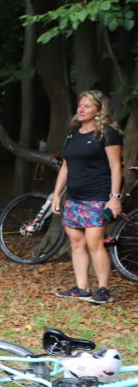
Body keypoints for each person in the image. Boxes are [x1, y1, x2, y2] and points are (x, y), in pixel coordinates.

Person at [52, 90, 123, 305]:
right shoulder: (73, 135)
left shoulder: (107, 134)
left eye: (87, 106)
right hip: (74, 198)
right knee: (76, 242)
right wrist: (56, 195)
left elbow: (115, 166)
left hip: (97, 196)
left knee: (94, 243)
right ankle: (81, 288)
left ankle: (104, 290)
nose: (81, 109)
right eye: (80, 105)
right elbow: (66, 166)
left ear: (99, 111)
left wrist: (114, 197)